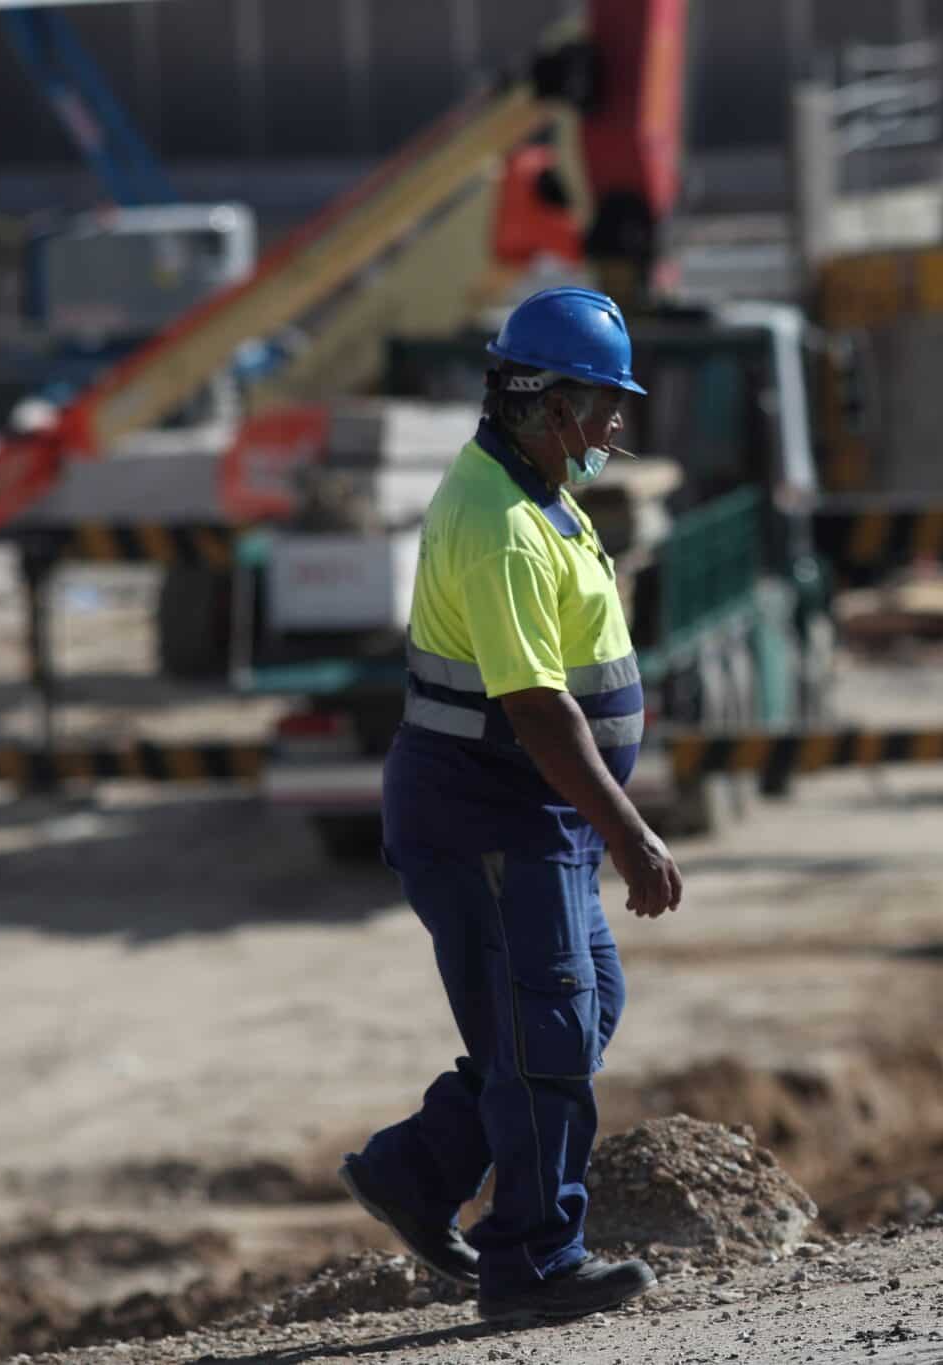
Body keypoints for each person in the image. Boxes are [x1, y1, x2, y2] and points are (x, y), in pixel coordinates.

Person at [340, 286, 684, 1327]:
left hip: (534, 822)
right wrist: (630, 832)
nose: (616, 424)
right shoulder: (496, 522)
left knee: (578, 1016)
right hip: (489, 818)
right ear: (545, 402)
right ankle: (531, 1262)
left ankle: (416, 1171)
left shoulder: (538, 491)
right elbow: (536, 709)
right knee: (546, 1037)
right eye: (603, 402)